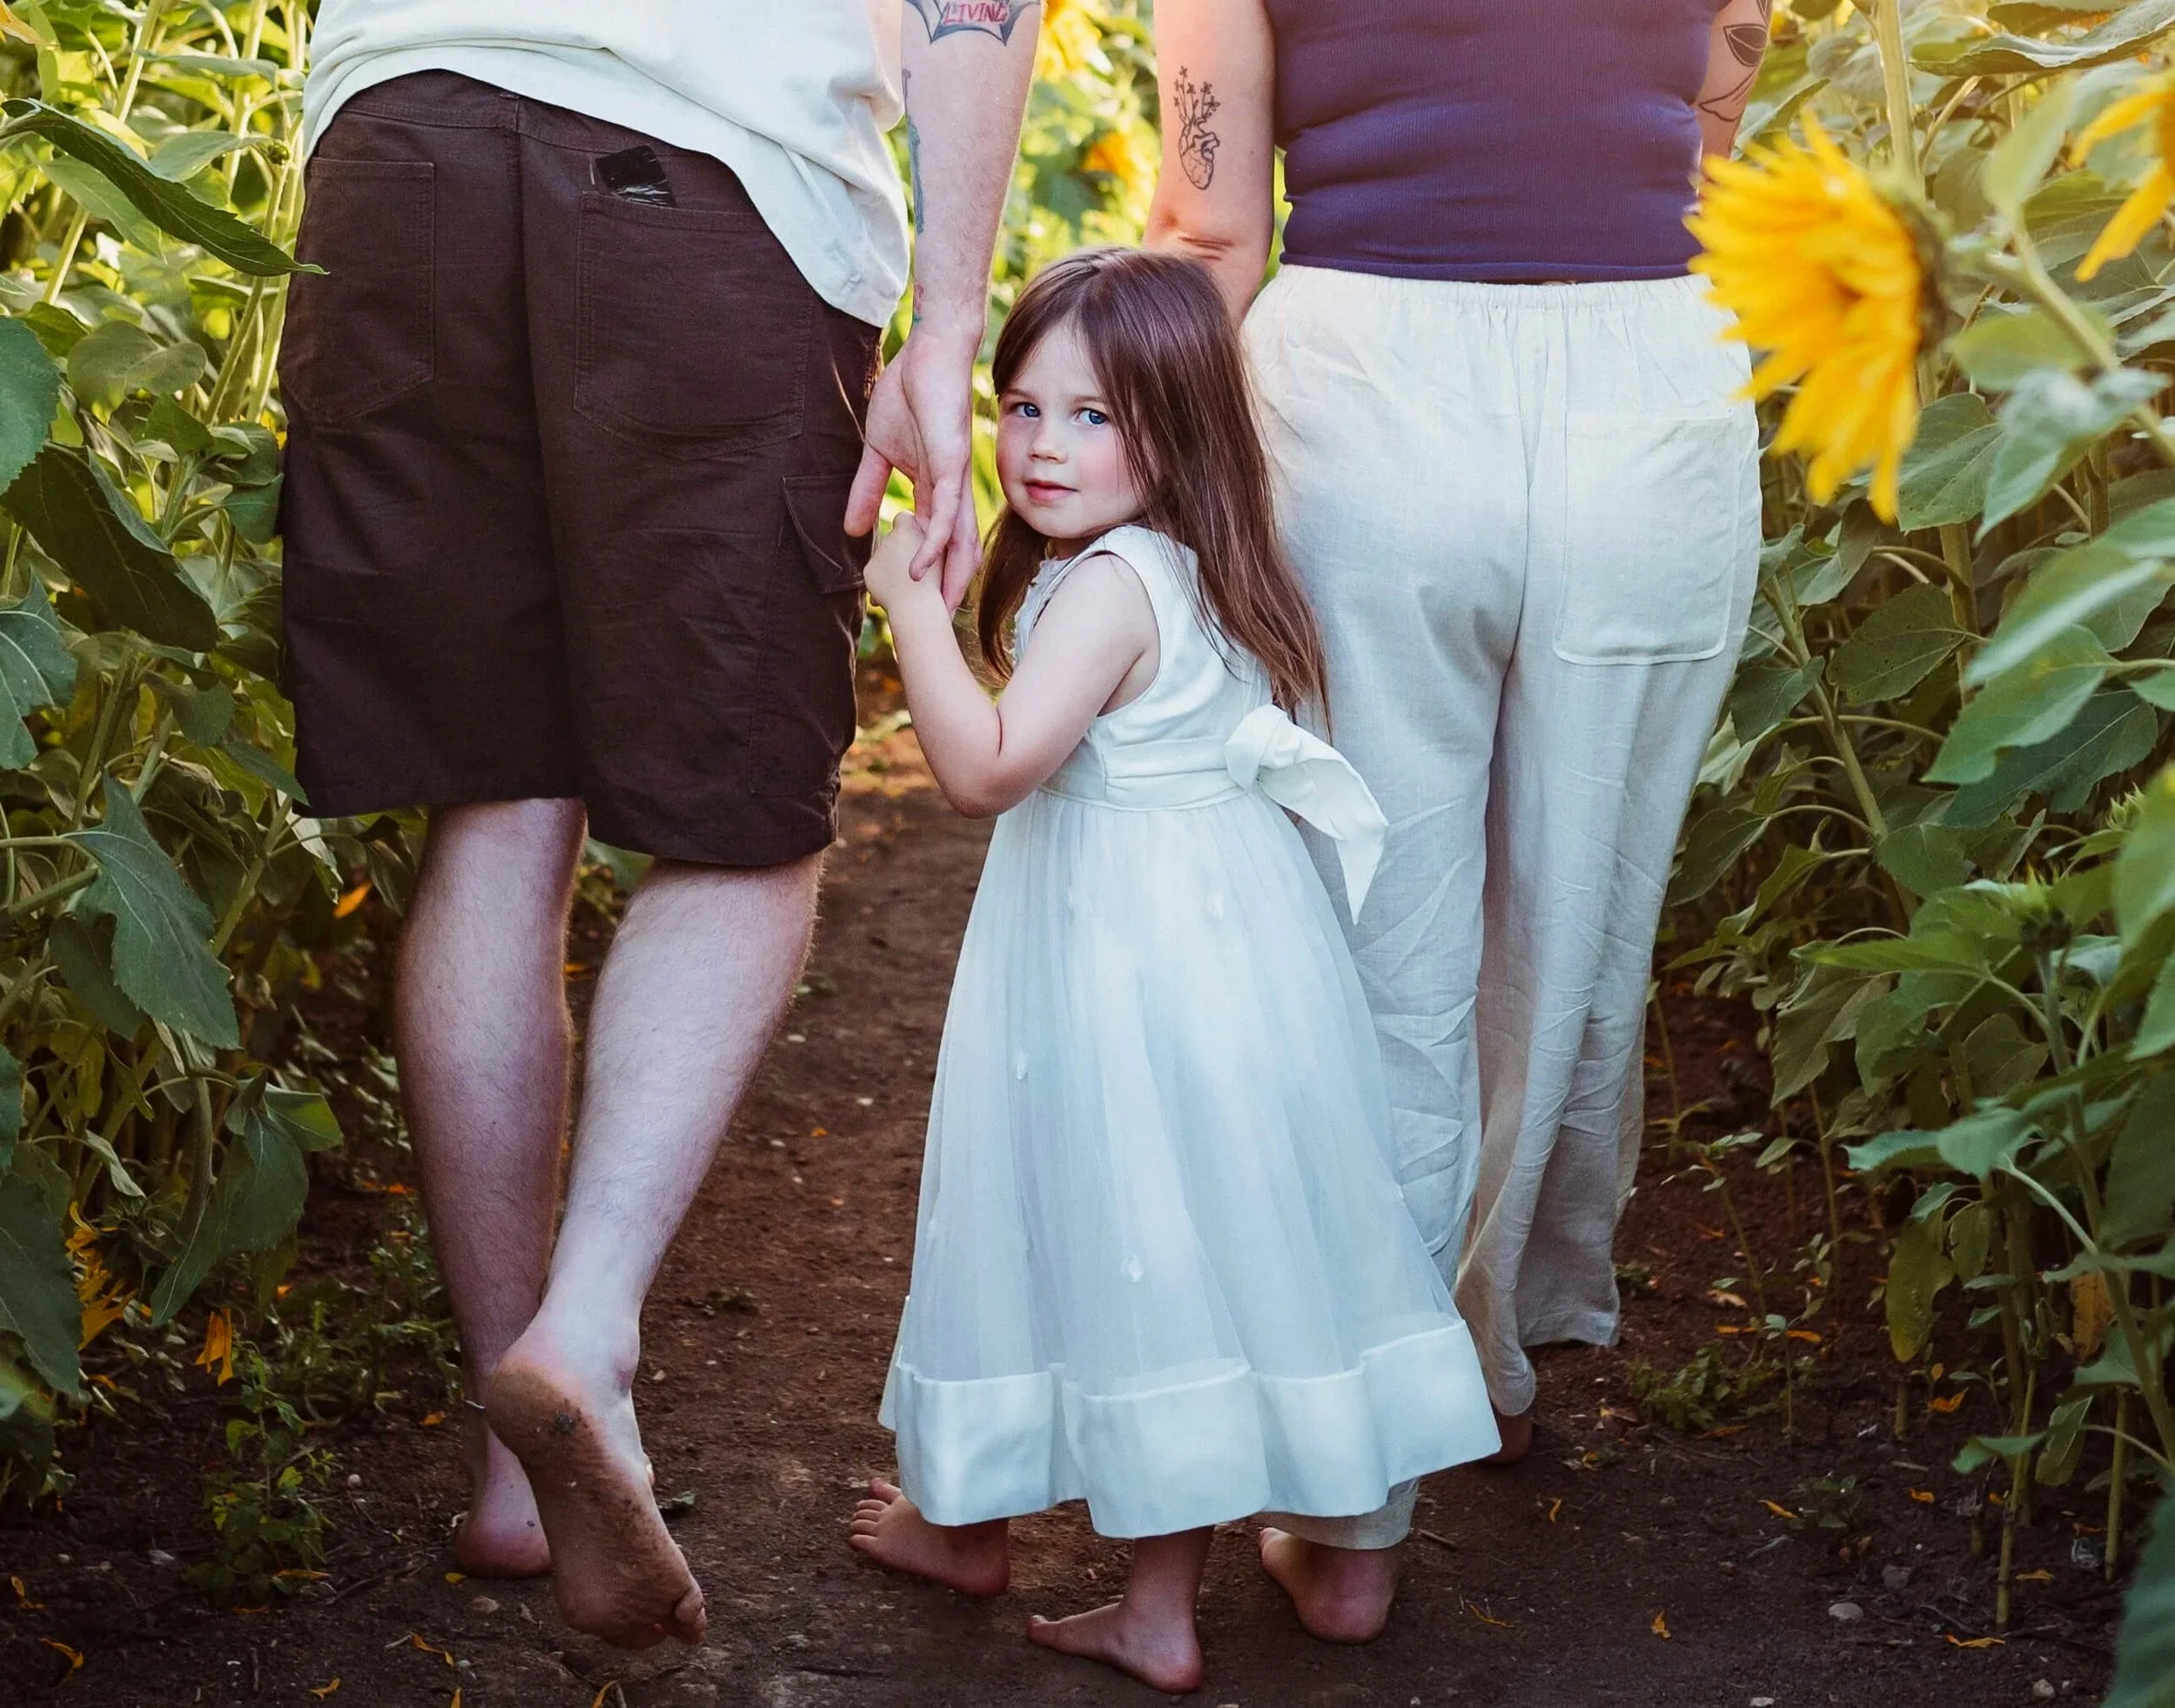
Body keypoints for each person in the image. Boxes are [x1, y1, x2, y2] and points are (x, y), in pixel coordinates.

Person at [279, 0, 1040, 1649]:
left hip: (398, 156)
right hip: (710, 180)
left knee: (497, 795)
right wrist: (946, 335)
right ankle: (588, 1330)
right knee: (740, 828)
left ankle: (511, 1471)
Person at [1145, 0, 1774, 1641]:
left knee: (1375, 935)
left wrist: (1103, 512)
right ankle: (1486, 1347)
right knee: (1578, 915)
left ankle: (1353, 1509)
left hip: (1365, 380)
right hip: (1652, 373)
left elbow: (1207, 222)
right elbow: (1720, 95)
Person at [842, 248, 1499, 1692]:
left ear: (1178, 426)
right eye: (1020, 408)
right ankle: (1045, 1551)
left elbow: (988, 768)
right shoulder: (1199, 566)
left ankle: (1099, 1584)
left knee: (1094, 1223)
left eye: (1093, 415)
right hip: (1222, 954)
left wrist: (907, 608)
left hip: (1117, 970)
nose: (1041, 447)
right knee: (1183, 1243)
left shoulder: (1105, 592)